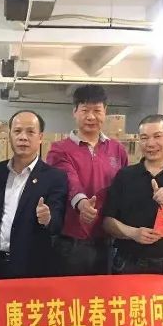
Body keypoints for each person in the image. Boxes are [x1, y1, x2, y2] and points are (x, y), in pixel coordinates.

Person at [102, 114, 163, 276]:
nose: (150, 143)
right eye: (144, 138)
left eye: (157, 136)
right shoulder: (125, 175)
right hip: (127, 264)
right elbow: (108, 221)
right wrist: (133, 233)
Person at [46, 84, 129, 276]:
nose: (91, 117)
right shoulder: (60, 149)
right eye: (85, 110)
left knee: (102, 293)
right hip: (70, 242)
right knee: (70, 293)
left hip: (107, 240)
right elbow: (69, 180)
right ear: (74, 112)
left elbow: (123, 189)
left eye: (97, 110)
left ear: (105, 111)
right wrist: (82, 204)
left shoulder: (117, 149)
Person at [0, 110, 68, 279]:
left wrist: (47, 218)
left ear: (40, 137)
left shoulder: (54, 177)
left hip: (31, 268)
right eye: (17, 131)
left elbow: (58, 222)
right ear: (10, 135)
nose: (23, 137)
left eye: (30, 132)